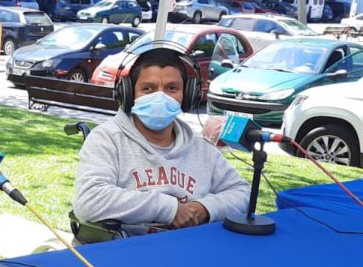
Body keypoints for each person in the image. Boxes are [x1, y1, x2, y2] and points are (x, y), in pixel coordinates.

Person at [73, 47, 249, 234]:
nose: (160, 97)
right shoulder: (106, 140)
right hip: (127, 252)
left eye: (171, 88)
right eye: (148, 89)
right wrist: (170, 209)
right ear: (129, 94)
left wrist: (204, 208)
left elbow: (241, 193)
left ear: (188, 95)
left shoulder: (202, 149)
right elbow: (88, 201)